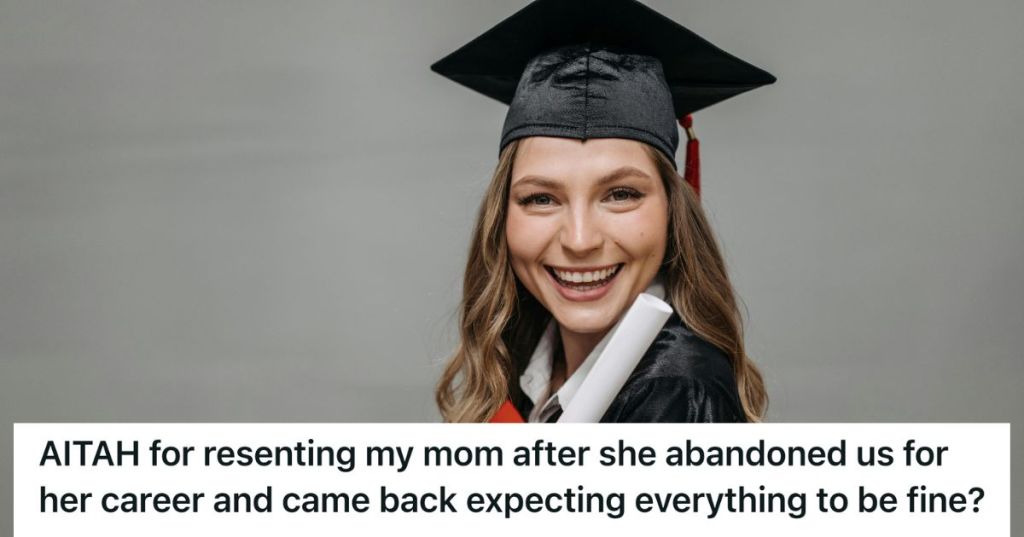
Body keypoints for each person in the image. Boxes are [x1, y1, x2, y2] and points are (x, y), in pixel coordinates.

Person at [432, 0, 774, 423]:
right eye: (541, 198)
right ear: (501, 216)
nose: (580, 240)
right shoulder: (525, 360)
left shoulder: (677, 392)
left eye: (621, 194)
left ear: (673, 210)